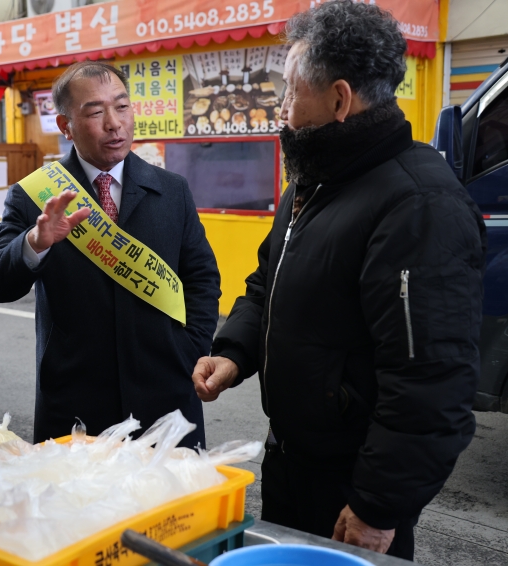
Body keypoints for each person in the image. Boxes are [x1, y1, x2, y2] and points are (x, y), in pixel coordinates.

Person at [191, 1, 486, 560]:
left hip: (352, 485)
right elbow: (267, 284)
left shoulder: (418, 205)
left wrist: (379, 505)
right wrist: (235, 351)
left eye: (289, 91)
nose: (281, 107)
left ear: (340, 99)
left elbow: (431, 384)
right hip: (293, 461)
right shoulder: (316, 182)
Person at [0, 61, 221, 448]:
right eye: (95, 111)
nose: (114, 123)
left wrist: (188, 349)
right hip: (75, 402)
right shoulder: (34, 195)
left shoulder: (172, 190)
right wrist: (35, 242)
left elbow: (203, 279)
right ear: (65, 126)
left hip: (165, 397)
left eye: (122, 107)